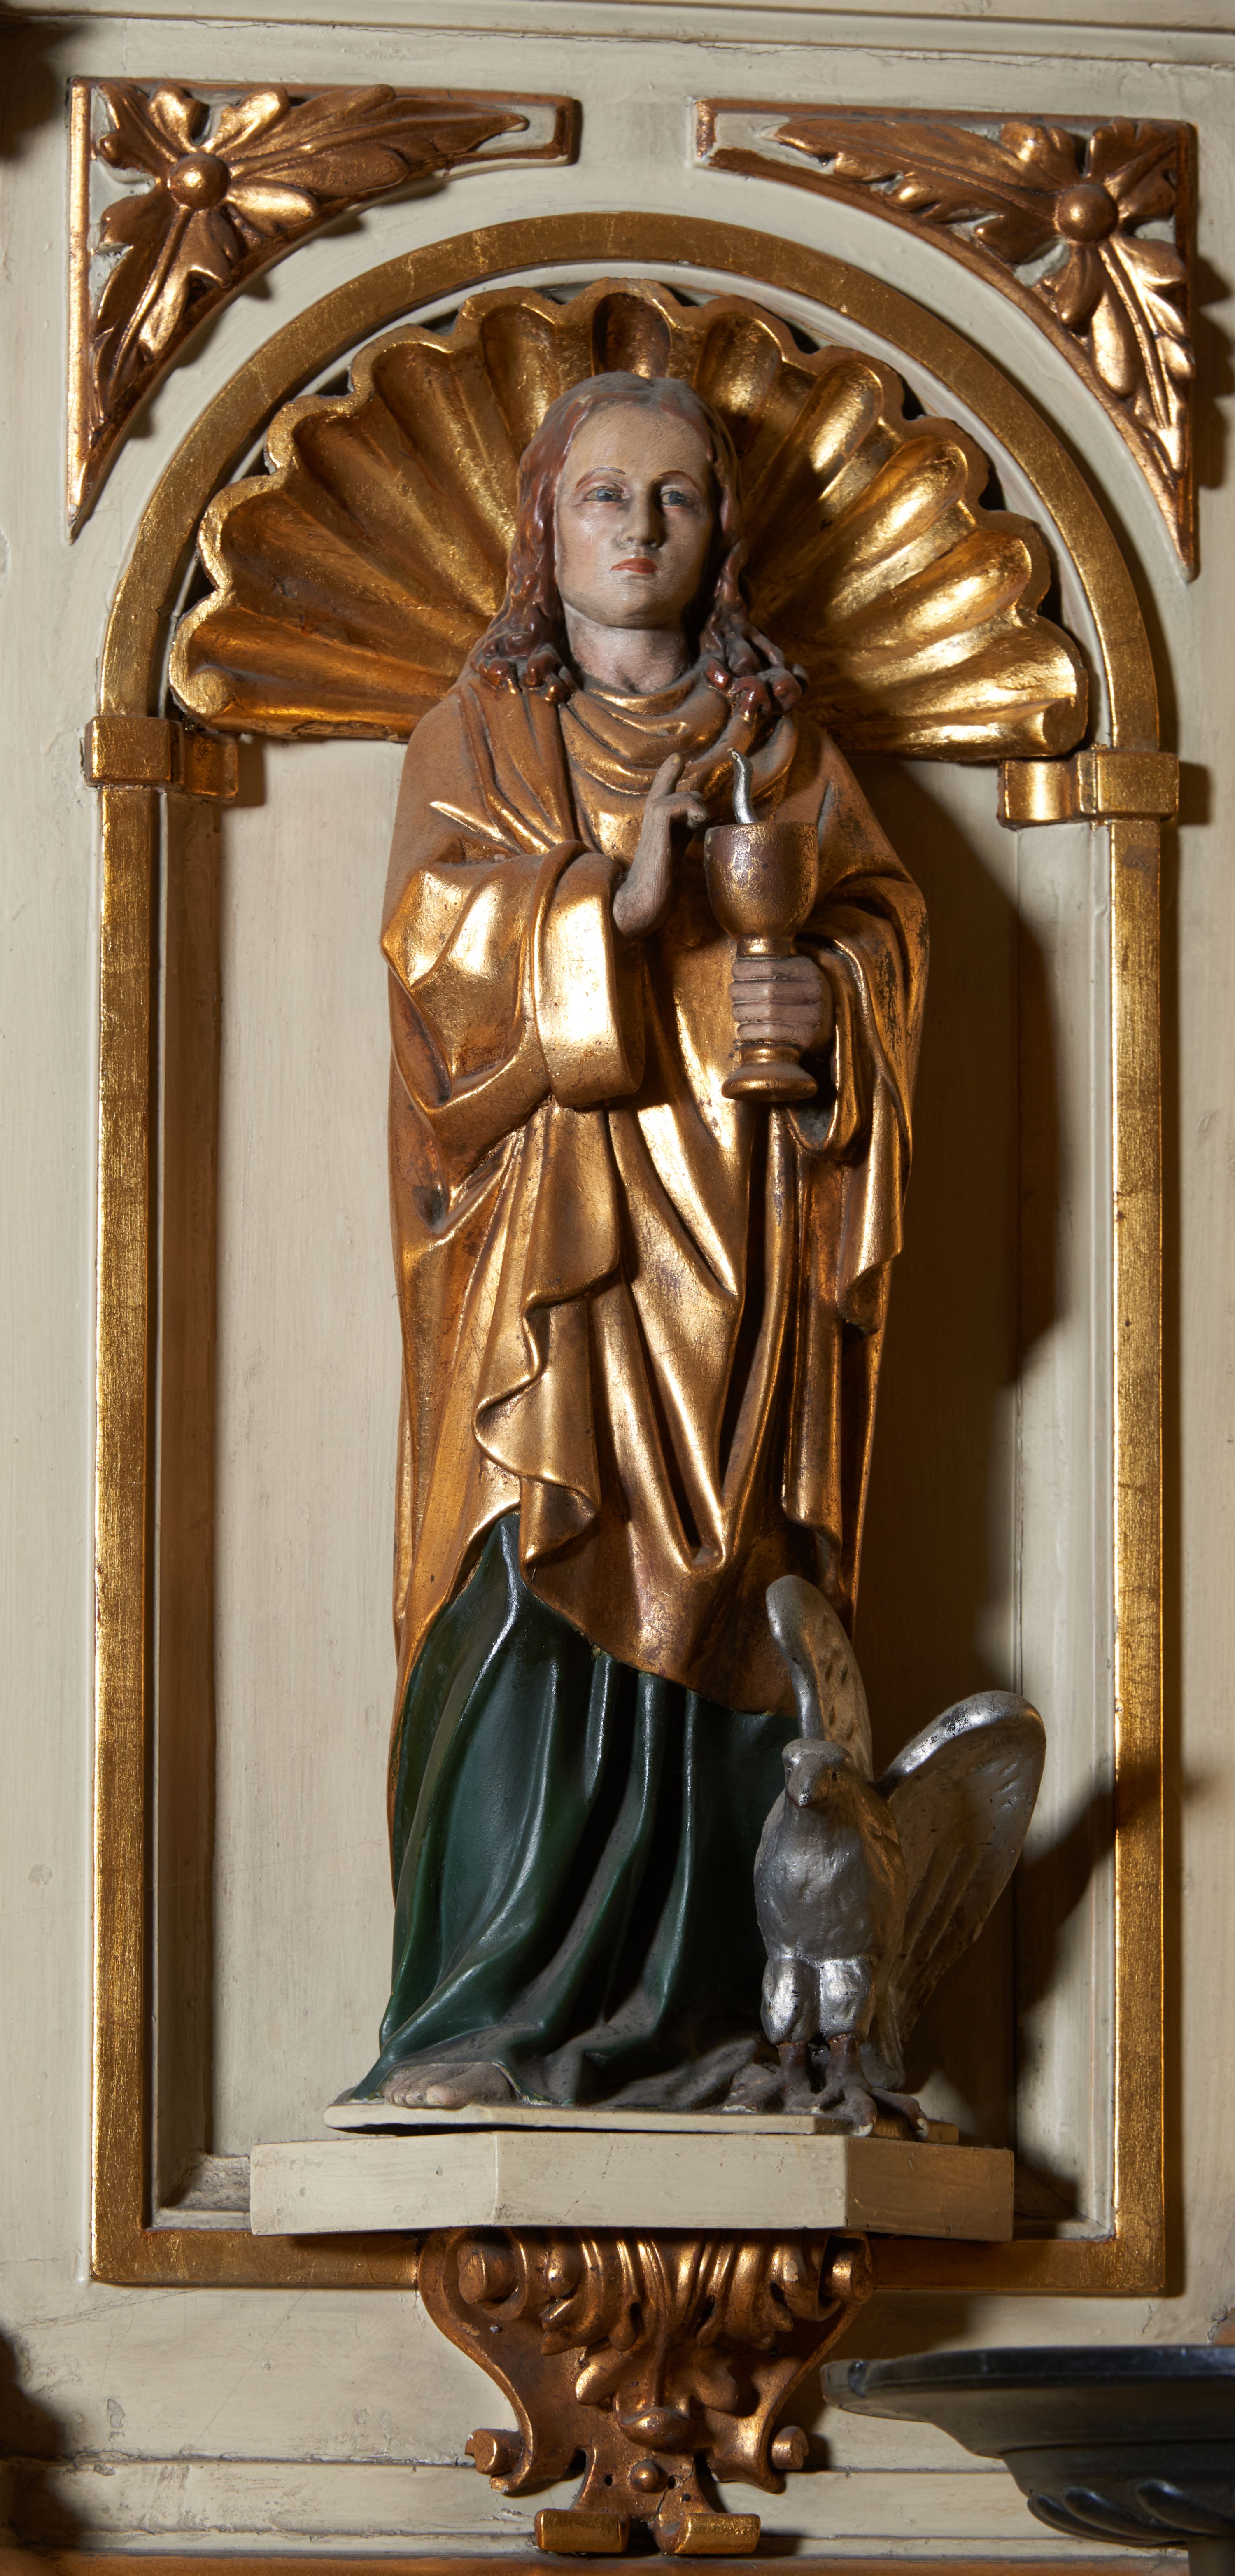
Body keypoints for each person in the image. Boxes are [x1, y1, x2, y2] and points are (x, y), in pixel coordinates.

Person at [350, 368, 927, 2111]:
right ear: (546, 521)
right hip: (555, 1258)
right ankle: (485, 2011)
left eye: (678, 497)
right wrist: (615, 906)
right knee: (526, 1576)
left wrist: (830, 1006)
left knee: (737, 1607)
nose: (640, 528)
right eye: (606, 495)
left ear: (722, 535)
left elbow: (882, 938)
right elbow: (435, 964)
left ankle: (708, 2016)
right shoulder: (484, 736)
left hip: (740, 1254)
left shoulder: (781, 746)